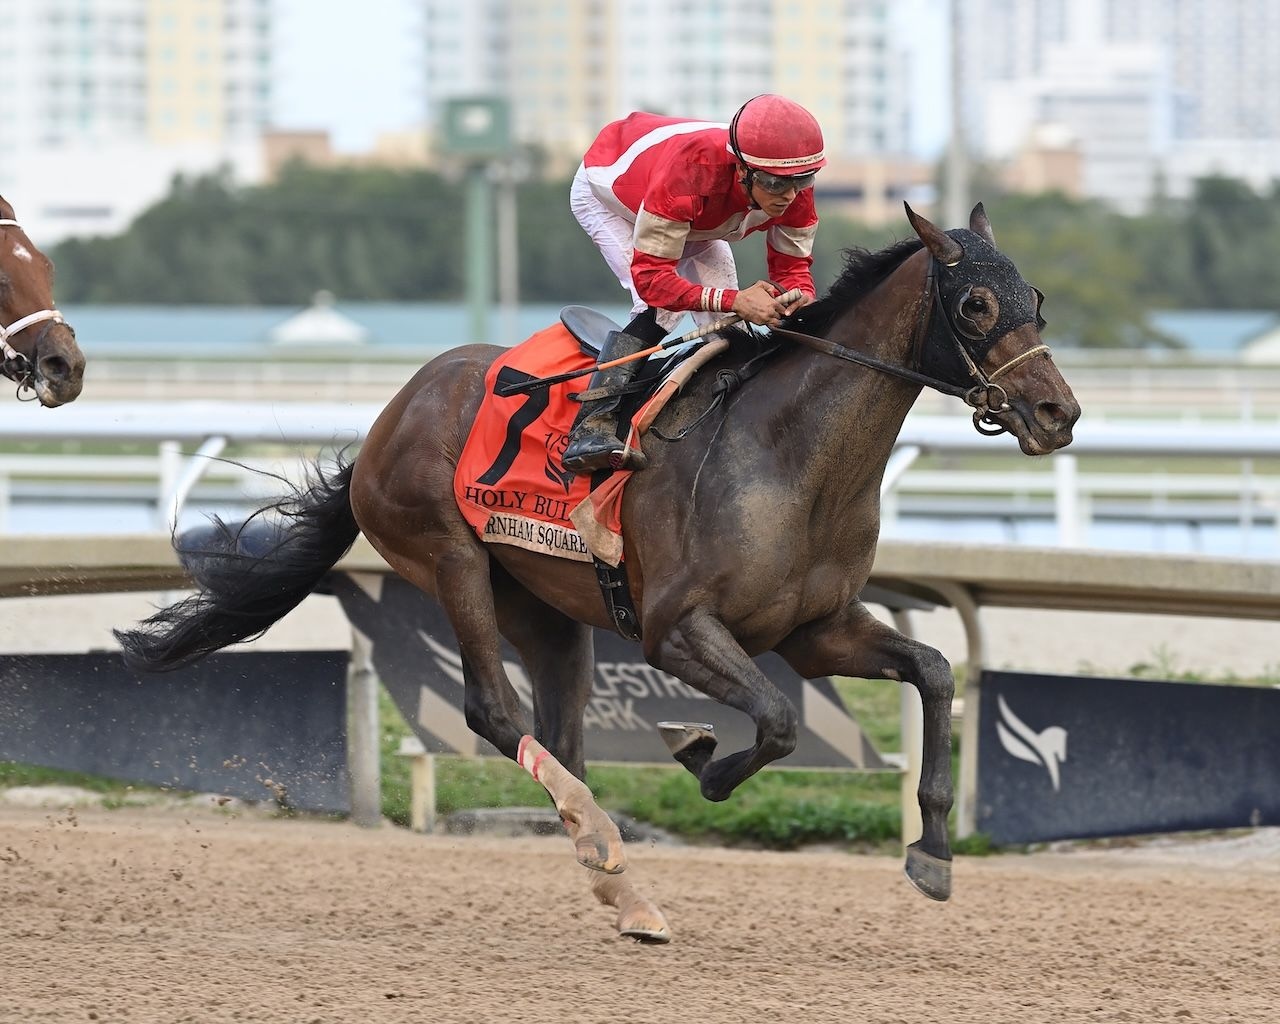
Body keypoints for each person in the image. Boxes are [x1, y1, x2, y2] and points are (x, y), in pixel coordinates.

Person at [564, 93, 827, 472]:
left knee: (720, 335)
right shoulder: (689, 174)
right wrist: (735, 301)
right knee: (659, 309)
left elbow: (794, 268)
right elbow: (654, 281)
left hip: (698, 219)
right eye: (774, 183)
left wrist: (797, 296)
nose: (789, 195)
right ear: (742, 170)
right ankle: (590, 426)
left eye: (803, 180)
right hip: (610, 197)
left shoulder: (792, 186)